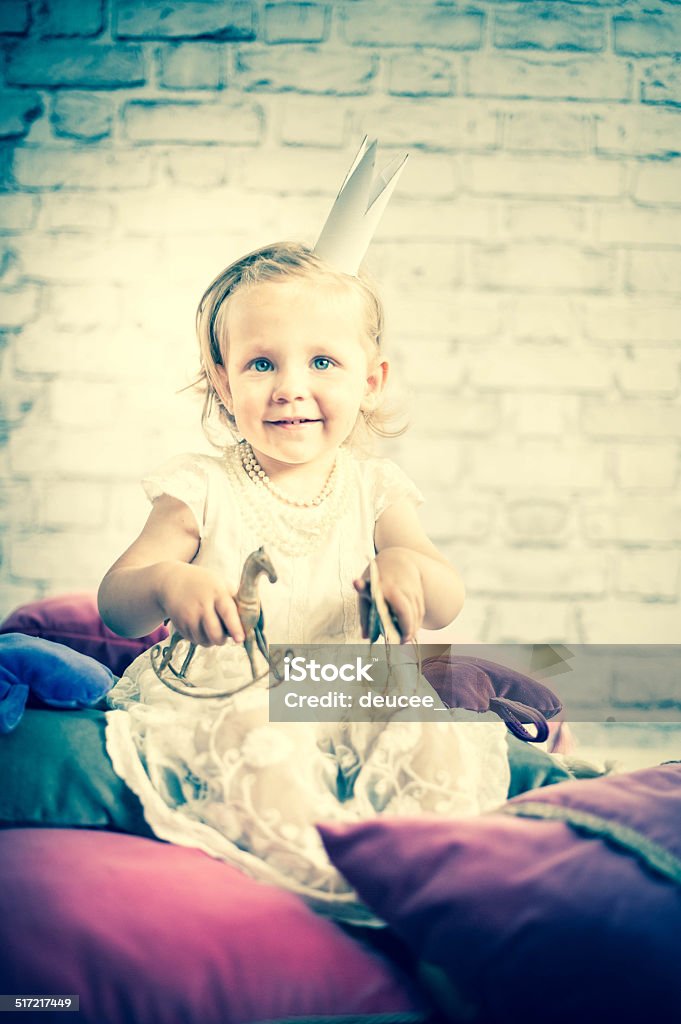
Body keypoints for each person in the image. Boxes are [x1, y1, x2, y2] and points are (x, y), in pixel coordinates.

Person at [99, 149, 511, 925]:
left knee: (429, 727)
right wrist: (167, 583)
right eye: (260, 363)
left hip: (339, 687)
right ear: (223, 383)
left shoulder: (375, 489)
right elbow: (117, 607)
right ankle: (323, 885)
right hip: (233, 690)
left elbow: (446, 600)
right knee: (259, 737)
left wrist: (406, 568)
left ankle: (429, 875)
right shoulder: (201, 486)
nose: (290, 385)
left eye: (322, 360)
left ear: (370, 380)